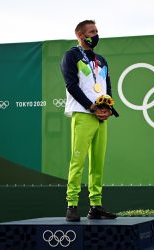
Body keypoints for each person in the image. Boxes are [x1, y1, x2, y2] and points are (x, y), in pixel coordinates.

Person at [60, 20, 118, 222]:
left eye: (97, 31)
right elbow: (71, 85)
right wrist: (91, 107)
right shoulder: (71, 55)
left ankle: (96, 206)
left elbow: (107, 87)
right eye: (91, 32)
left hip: (101, 118)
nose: (95, 35)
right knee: (78, 162)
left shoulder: (101, 60)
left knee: (98, 163)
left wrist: (108, 108)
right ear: (79, 34)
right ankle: (72, 205)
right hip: (83, 115)